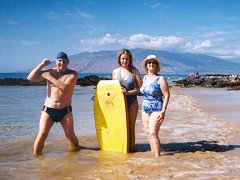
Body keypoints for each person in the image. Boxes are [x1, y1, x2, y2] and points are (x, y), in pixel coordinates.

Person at [27, 52, 80, 156]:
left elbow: (64, 88)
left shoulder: (72, 74)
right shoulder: (50, 71)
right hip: (48, 110)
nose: (62, 63)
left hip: (65, 110)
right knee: (42, 134)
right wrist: (42, 65)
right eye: (59, 60)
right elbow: (30, 78)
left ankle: (75, 156)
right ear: (56, 61)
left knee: (70, 135)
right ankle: (36, 159)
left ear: (68, 62)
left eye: (64, 61)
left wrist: (49, 77)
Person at [140, 55, 170, 157]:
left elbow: (166, 95)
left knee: (153, 133)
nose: (151, 64)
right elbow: (143, 92)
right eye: (149, 63)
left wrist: (163, 111)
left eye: (154, 63)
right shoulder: (144, 78)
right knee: (148, 133)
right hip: (145, 109)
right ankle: (153, 155)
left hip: (157, 109)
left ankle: (158, 158)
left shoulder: (160, 79)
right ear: (146, 65)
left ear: (157, 66)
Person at [112, 49, 142, 152]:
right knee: (120, 128)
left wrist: (128, 93)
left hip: (132, 103)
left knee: (131, 128)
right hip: (119, 104)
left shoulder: (134, 72)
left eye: (127, 59)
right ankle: (122, 151)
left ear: (130, 60)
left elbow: (140, 89)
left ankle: (131, 152)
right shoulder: (115, 72)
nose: (124, 61)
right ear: (119, 59)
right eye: (123, 59)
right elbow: (113, 90)